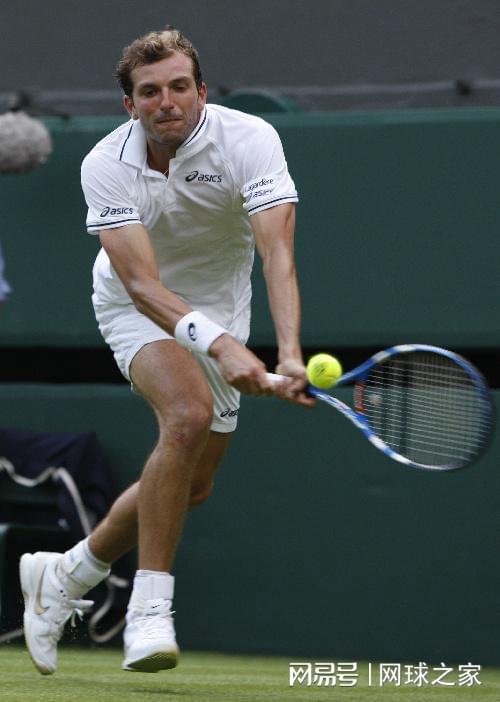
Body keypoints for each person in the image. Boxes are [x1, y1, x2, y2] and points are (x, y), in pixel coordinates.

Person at [19, 25, 313, 676]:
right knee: (186, 415)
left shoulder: (250, 140)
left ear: (202, 91)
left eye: (180, 86)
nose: (167, 101)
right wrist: (221, 347)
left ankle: (66, 573)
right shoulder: (104, 163)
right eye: (150, 92)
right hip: (137, 306)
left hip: (223, 308)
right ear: (130, 105)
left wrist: (289, 351)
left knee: (193, 484)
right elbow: (142, 286)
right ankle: (149, 611)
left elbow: (277, 253)